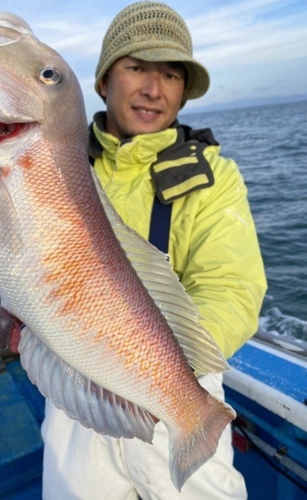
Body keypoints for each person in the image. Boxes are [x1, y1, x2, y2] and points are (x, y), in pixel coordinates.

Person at [41, 2, 267, 499]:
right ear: (103, 80)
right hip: (78, 395)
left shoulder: (215, 177)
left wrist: (162, 369)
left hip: (180, 389)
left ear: (183, 91)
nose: (153, 88)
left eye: (170, 74)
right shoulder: (53, 163)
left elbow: (231, 286)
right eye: (136, 67)